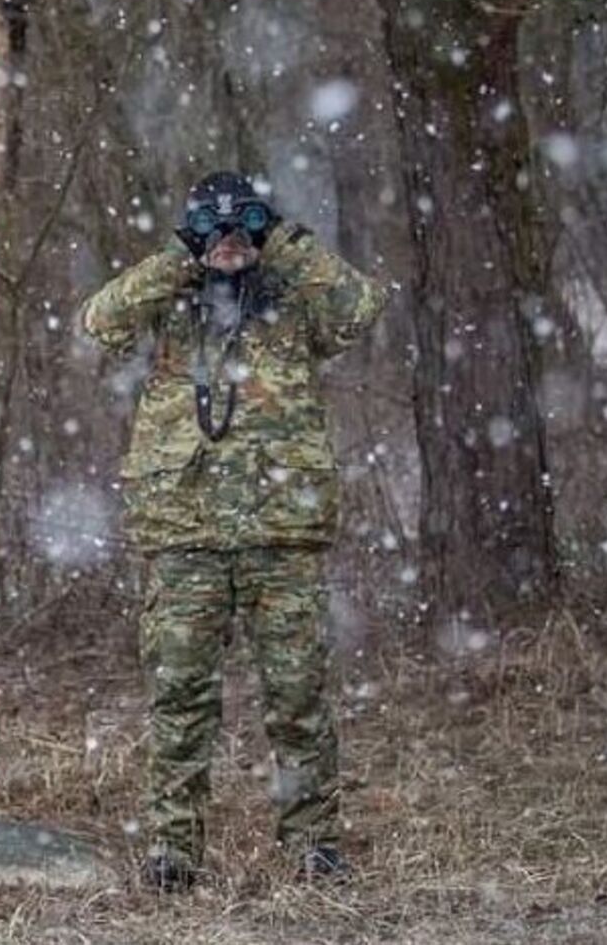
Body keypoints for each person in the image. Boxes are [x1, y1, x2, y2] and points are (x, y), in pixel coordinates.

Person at [82, 171, 387, 890]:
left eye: (239, 226)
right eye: (212, 229)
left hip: (281, 534)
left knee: (298, 694)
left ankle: (314, 841)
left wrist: (279, 238)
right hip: (185, 533)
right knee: (180, 696)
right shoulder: (169, 304)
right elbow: (100, 321)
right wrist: (178, 255)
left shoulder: (293, 304)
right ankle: (172, 849)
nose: (227, 242)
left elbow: (360, 308)